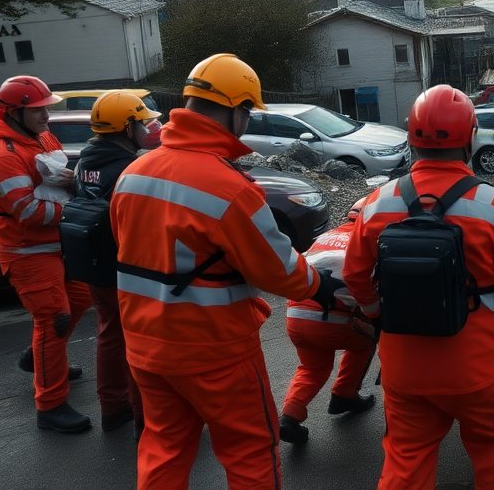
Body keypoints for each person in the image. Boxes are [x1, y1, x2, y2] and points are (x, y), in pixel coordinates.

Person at [110, 53, 343, 490]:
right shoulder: (228, 187)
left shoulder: (133, 173)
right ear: (238, 110)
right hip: (214, 351)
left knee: (164, 447)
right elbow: (278, 269)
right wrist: (319, 285)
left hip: (145, 345)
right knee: (250, 450)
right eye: (248, 113)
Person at [343, 84, 494, 490]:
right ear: (470, 137)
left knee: (405, 461)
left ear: (412, 136)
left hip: (405, 368)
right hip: (480, 369)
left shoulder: (377, 203)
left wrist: (378, 315)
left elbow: (355, 276)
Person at [0, 75, 94, 434]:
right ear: (13, 113)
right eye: (38, 110)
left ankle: (42, 357)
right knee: (54, 319)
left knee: (80, 298)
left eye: (47, 108)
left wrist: (70, 181)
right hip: (27, 252)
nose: (47, 116)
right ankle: (50, 406)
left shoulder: (40, 136)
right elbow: (28, 212)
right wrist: (77, 211)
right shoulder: (1, 157)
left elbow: (55, 177)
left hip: (55, 246)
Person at [73, 90, 164, 435]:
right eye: (142, 123)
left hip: (96, 265)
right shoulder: (129, 169)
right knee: (142, 343)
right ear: (127, 128)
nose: (147, 129)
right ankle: (149, 418)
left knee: (110, 335)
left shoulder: (85, 162)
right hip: (126, 269)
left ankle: (112, 407)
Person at [277, 226, 378, 445]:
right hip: (329, 317)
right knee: (365, 341)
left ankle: (289, 417)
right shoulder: (367, 242)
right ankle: (345, 394)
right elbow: (364, 288)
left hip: (295, 315)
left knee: (312, 368)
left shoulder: (326, 236)